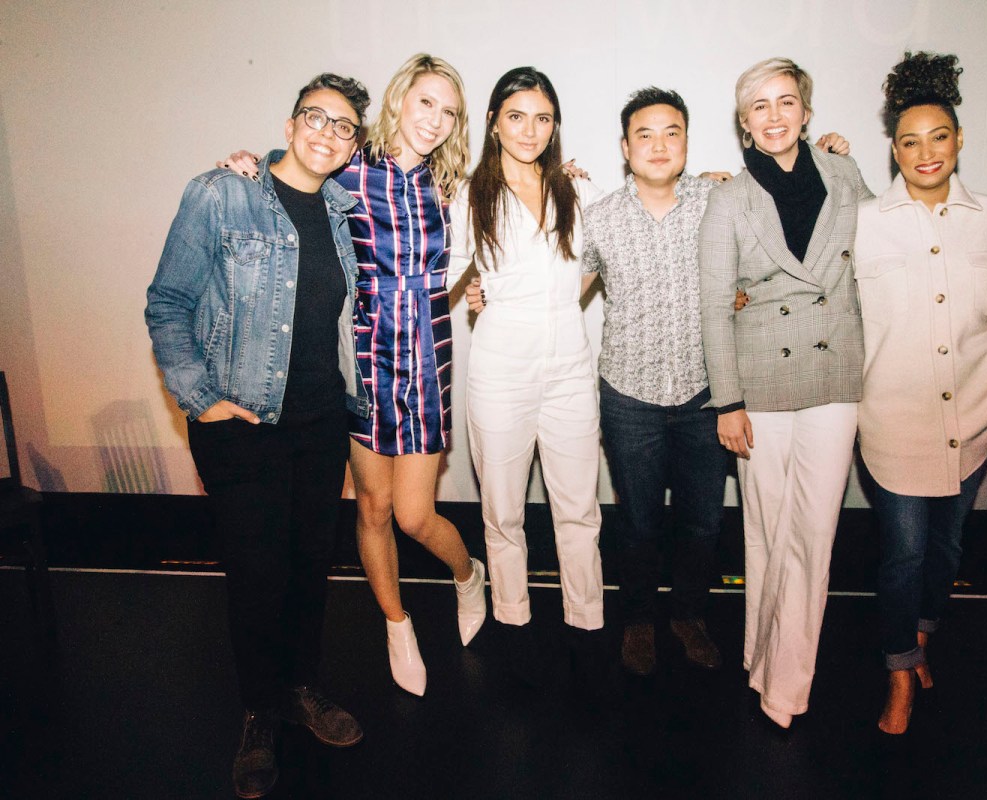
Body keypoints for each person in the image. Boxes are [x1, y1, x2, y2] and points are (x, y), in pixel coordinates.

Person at [217, 54, 487, 699]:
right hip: (362, 356)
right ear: (399, 101)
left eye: (449, 111)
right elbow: (293, 173)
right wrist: (245, 167)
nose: (436, 120)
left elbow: (520, 199)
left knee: (416, 515)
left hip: (424, 356)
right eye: (426, 102)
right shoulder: (349, 169)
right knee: (372, 507)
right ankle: (397, 623)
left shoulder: (454, 185)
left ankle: (468, 574)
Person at [146, 73, 371, 799]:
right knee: (255, 576)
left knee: (310, 566)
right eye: (317, 117)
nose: (327, 133)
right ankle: (258, 715)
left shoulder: (342, 208)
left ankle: (301, 689)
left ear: (353, 144)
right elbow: (168, 303)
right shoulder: (222, 193)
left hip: (320, 421)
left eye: (343, 126)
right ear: (291, 120)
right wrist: (198, 396)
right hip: (243, 426)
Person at [575, 87, 848, 676]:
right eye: (644, 134)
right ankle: (641, 620)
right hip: (629, 399)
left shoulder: (720, 201)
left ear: (687, 142)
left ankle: (689, 616)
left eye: (671, 132)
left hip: (709, 398)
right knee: (640, 523)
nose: (658, 144)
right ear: (625, 148)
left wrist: (829, 156)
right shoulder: (596, 218)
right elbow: (557, 291)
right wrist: (485, 293)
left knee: (703, 522)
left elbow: (791, 235)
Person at [855, 52, 987, 734]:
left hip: (976, 417)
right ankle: (898, 673)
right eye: (909, 140)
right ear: (893, 151)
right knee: (902, 553)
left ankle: (923, 639)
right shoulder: (865, 223)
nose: (925, 152)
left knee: (948, 550)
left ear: (958, 141)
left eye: (938, 137)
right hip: (895, 422)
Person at [699, 57, 873, 730]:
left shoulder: (846, 175)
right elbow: (716, 306)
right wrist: (728, 401)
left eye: (786, 102)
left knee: (813, 534)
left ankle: (787, 686)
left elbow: (884, 250)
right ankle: (758, 655)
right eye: (760, 107)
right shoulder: (727, 199)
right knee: (767, 532)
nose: (775, 116)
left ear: (805, 110)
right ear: (744, 124)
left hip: (835, 378)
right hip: (760, 386)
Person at [447, 66, 606, 685]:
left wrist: (555, 295)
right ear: (493, 121)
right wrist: (485, 298)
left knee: (578, 508)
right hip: (501, 367)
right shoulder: (469, 195)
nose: (531, 129)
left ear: (555, 124)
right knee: (502, 509)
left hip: (569, 363)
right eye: (517, 116)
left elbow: (591, 267)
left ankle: (585, 623)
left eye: (543, 117)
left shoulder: (577, 190)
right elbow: (443, 275)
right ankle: (512, 619)